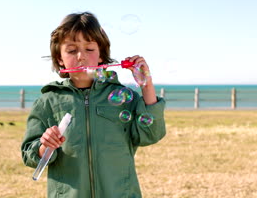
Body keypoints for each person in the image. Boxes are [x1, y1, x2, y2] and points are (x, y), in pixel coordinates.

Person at [21, 12, 166, 197]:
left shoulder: (123, 97)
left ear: (101, 56)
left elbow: (151, 134)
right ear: (59, 58)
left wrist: (146, 85)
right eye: (72, 50)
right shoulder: (47, 101)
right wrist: (44, 146)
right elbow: (28, 155)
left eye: (89, 49)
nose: (81, 56)